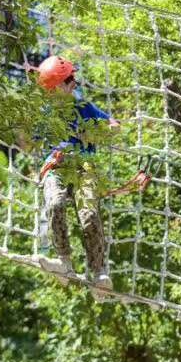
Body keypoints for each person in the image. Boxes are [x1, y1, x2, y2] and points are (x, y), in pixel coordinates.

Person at [35, 55, 118, 292]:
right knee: (54, 204)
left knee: (89, 215)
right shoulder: (45, 114)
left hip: (83, 167)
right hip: (56, 166)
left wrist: (96, 134)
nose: (74, 84)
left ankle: (99, 271)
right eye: (68, 80)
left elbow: (114, 125)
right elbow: (27, 142)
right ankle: (64, 261)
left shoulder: (84, 108)